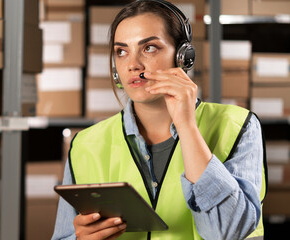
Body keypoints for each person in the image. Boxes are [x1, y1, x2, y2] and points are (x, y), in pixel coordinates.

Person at [52, 0, 266, 239]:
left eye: (149, 48)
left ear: (183, 56)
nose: (133, 65)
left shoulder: (237, 126)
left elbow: (228, 232)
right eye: (121, 52)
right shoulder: (85, 144)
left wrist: (186, 126)